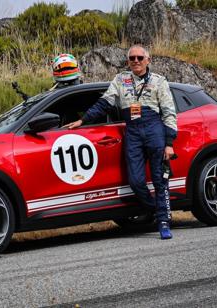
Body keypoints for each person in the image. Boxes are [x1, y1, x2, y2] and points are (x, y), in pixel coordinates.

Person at [65, 45, 177, 240]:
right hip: (132, 130)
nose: (136, 61)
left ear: (147, 60)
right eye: (132, 58)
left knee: (160, 179)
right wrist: (83, 120)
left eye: (139, 58)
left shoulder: (159, 81)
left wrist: (169, 142)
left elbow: (169, 112)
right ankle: (157, 209)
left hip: (154, 129)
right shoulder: (120, 80)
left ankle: (163, 223)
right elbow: (104, 103)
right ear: (128, 61)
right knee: (135, 181)